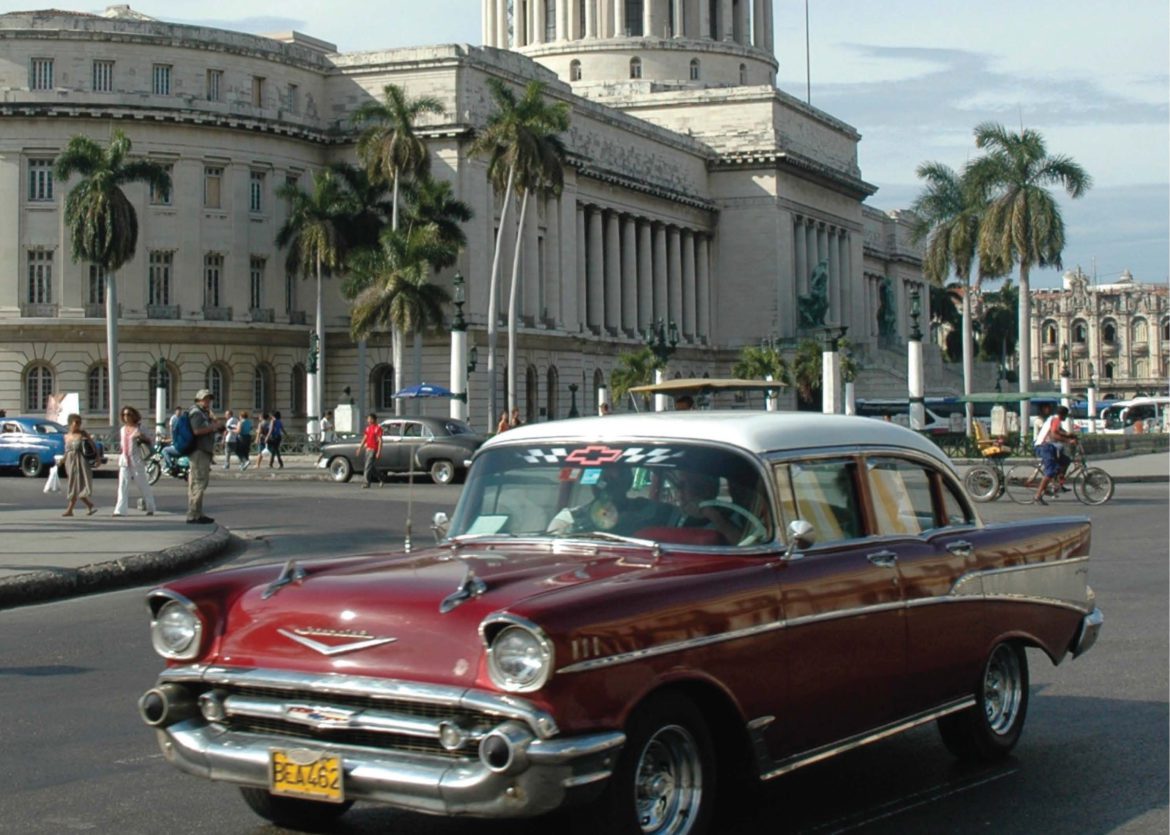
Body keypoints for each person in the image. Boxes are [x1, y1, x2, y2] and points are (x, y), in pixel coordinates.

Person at [186, 389, 224, 524]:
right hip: (198, 451)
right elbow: (196, 430)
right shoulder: (196, 413)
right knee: (199, 482)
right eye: (204, 399)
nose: (207, 401)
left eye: (209, 399)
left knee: (199, 482)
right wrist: (213, 427)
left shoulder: (203, 413)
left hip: (203, 451)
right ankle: (193, 514)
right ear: (198, 400)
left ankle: (198, 512)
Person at [113, 406, 156, 516]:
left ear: (134, 416)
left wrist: (141, 436)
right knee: (122, 485)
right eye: (124, 415)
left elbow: (151, 441)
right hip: (124, 461)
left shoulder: (140, 428)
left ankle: (150, 506)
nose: (126, 417)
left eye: (129, 415)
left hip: (136, 460)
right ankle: (120, 510)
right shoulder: (123, 430)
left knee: (142, 484)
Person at [1032, 404, 1078, 505]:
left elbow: (1059, 431)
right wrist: (1068, 441)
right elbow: (1054, 434)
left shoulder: (1054, 419)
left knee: (1065, 461)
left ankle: (1058, 484)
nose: (1066, 418)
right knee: (1050, 471)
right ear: (1062, 415)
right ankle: (1038, 495)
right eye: (1066, 415)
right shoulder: (1056, 420)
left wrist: (1069, 435)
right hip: (1044, 447)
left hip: (1049, 446)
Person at [61, 413, 97, 517]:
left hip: (81, 461)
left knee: (77, 485)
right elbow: (67, 451)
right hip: (70, 462)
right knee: (74, 484)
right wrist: (62, 460)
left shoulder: (83, 434)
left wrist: (97, 458)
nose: (78, 424)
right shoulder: (66, 436)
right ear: (70, 423)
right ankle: (89, 505)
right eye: (76, 422)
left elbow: (93, 446)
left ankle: (70, 509)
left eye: (79, 422)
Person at [359, 412, 383, 488]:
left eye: (369, 419)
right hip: (367, 449)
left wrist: (378, 452)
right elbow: (365, 438)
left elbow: (380, 440)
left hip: (373, 449)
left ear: (373, 419)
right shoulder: (368, 428)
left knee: (367, 466)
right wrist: (360, 448)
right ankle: (381, 477)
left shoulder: (378, 428)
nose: (368, 420)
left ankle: (366, 483)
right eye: (367, 419)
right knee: (370, 467)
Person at [161, 406, 183, 471]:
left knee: (165, 450)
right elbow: (171, 427)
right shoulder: (173, 418)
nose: (179, 412)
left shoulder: (181, 418)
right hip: (175, 437)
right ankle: (169, 463)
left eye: (180, 411)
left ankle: (170, 465)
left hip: (178, 441)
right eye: (178, 411)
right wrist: (172, 435)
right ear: (176, 411)